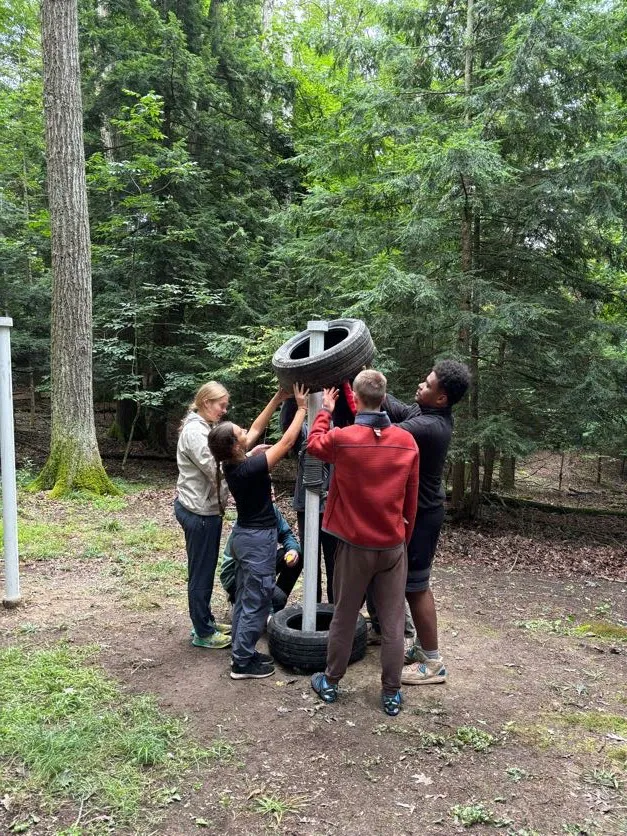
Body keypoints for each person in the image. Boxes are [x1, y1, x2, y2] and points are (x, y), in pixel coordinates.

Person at [306, 370, 419, 717]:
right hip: (392, 546)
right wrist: (401, 541)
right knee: (393, 622)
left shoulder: (343, 440)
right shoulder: (407, 442)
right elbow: (411, 502)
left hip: (354, 546)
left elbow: (314, 444)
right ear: (385, 398)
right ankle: (391, 694)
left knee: (344, 615)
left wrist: (325, 410)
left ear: (356, 398)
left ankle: (330, 683)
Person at [208, 384, 309, 680]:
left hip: (244, 537)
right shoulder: (248, 468)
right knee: (257, 601)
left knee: (245, 598)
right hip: (256, 541)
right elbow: (287, 443)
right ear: (235, 446)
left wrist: (278, 398)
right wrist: (302, 408)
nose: (245, 431)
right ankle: (242, 662)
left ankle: (242, 651)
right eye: (239, 433)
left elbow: (255, 428)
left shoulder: (233, 462)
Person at [385, 359, 471, 686]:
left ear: (442, 398)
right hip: (419, 513)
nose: (421, 385)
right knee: (411, 585)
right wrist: (364, 380)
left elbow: (383, 431)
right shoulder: (425, 413)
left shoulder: (430, 427)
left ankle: (433, 663)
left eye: (428, 384)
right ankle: (422, 648)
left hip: (423, 516)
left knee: (416, 587)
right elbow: (394, 407)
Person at [174, 381, 232, 650]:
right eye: (221, 405)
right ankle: (203, 632)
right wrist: (247, 464)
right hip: (198, 512)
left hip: (204, 509)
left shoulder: (204, 427)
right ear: (207, 402)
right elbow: (215, 469)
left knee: (205, 570)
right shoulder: (196, 432)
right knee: (201, 573)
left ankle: (205, 620)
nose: (224, 410)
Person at [220, 503, 301, 613]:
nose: (273, 498)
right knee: (276, 599)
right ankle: (244, 602)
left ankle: (272, 602)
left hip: (261, 564)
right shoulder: (250, 514)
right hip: (238, 574)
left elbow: (286, 534)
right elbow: (251, 566)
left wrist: (293, 550)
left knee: (297, 555)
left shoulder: (270, 509)